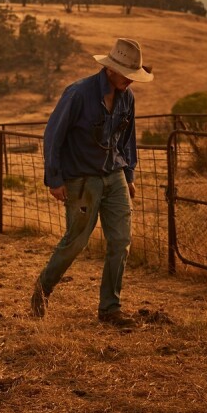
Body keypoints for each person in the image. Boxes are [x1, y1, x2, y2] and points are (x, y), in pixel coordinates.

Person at [31, 37, 153, 327]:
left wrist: (129, 175)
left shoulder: (128, 98)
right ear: (110, 70)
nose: (130, 82)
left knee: (121, 241)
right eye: (127, 75)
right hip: (81, 181)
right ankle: (42, 289)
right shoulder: (78, 94)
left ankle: (110, 309)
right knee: (76, 241)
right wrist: (55, 179)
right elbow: (53, 136)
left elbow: (127, 140)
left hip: (115, 176)